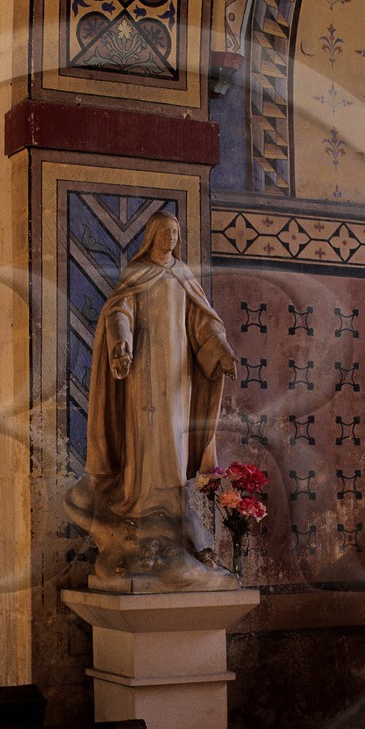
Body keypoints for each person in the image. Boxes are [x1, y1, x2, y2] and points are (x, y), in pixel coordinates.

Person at [66, 211, 238, 592]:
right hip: (141, 378)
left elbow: (204, 323)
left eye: (176, 232)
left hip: (178, 379)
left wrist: (221, 351)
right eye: (165, 232)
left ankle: (173, 513)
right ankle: (137, 506)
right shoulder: (137, 273)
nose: (171, 238)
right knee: (142, 441)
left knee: (174, 445)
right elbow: (118, 310)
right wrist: (121, 343)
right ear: (152, 235)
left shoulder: (182, 275)